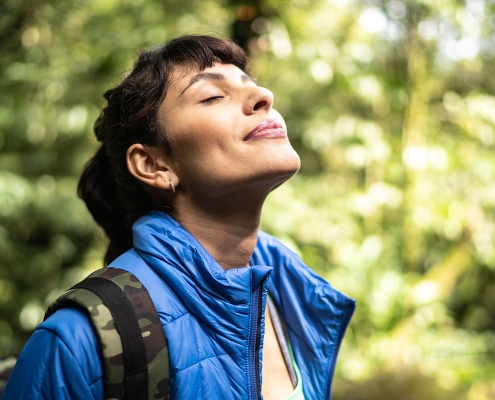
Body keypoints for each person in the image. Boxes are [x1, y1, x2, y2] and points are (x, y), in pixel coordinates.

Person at [2, 34, 355, 400]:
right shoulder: (78, 342)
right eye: (213, 96)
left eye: (251, 85)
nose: (264, 97)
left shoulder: (292, 295)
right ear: (154, 165)